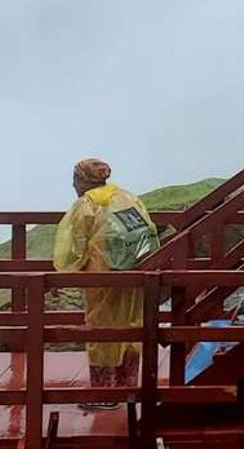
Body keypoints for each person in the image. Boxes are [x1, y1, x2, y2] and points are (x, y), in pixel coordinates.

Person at [53, 158, 159, 407]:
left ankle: (104, 394)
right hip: (132, 274)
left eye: (74, 179)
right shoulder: (127, 197)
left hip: (101, 278)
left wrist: (63, 273)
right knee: (130, 328)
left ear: (82, 180)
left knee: (101, 332)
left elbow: (75, 247)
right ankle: (128, 389)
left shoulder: (87, 204)